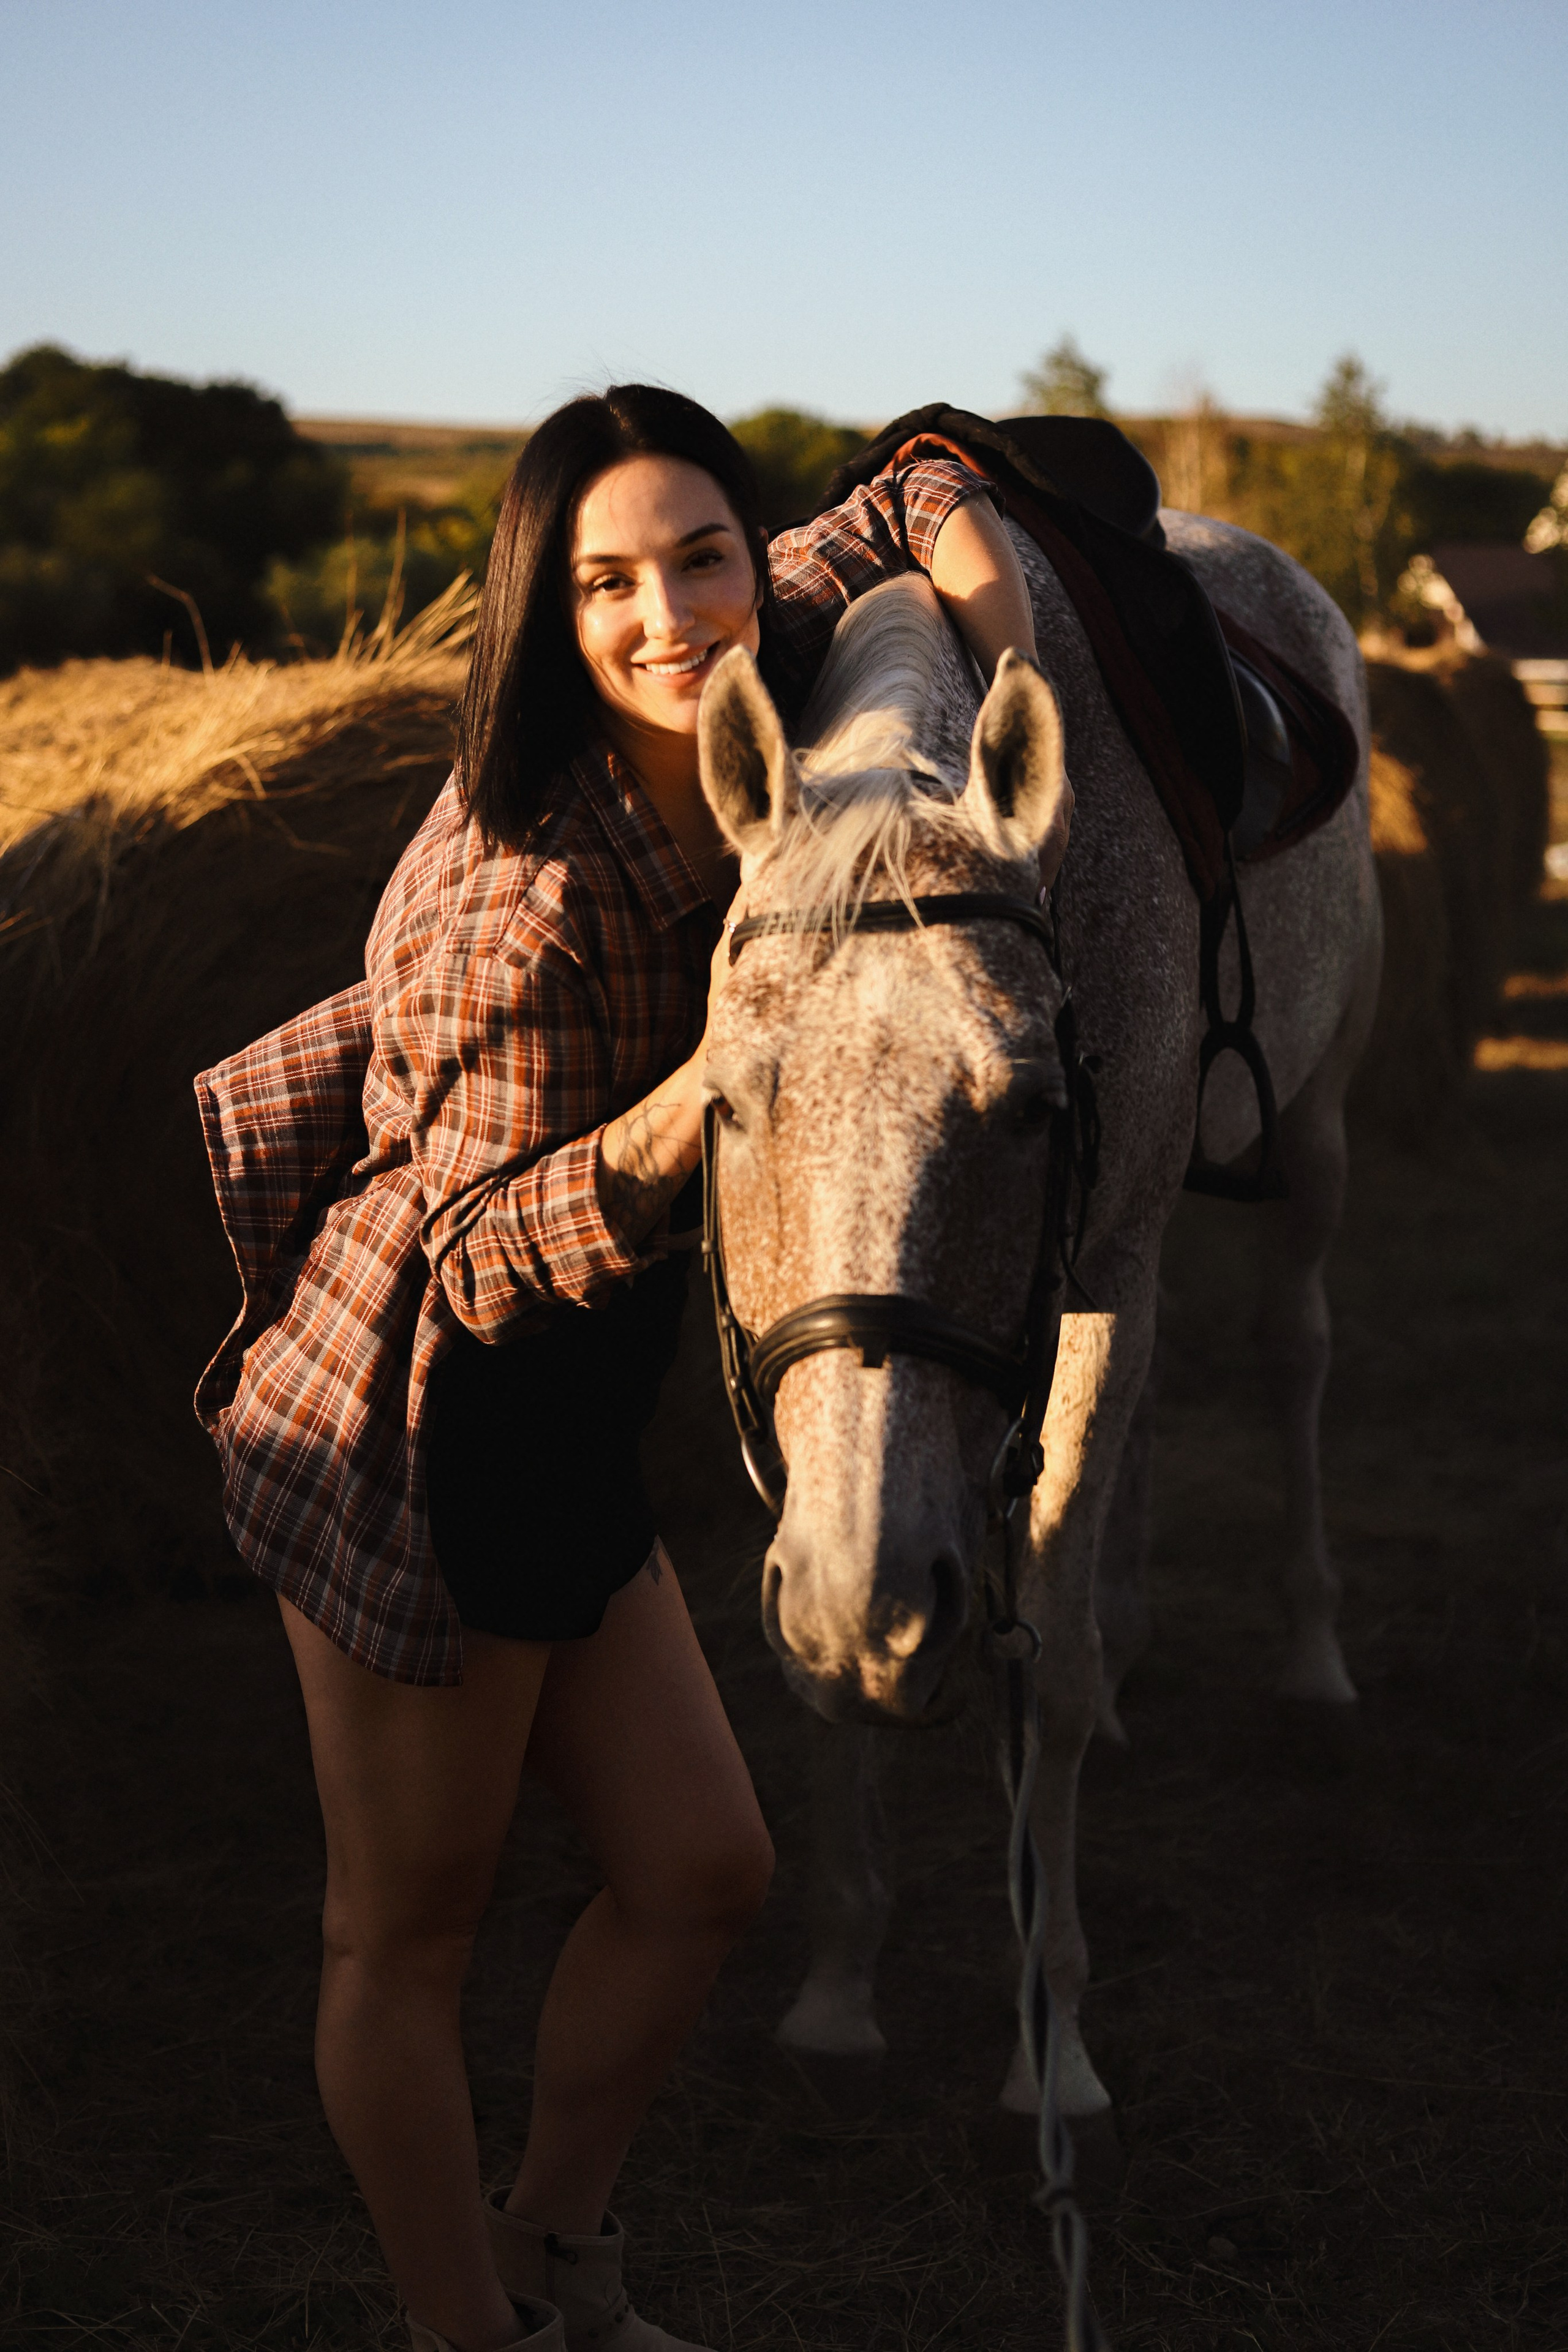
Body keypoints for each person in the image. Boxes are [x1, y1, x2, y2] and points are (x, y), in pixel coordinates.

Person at [195, 384, 1048, 2352]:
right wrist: (692, 1114)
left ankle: (556, 2251)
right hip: (412, 1419)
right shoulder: (530, 901)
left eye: (703, 556)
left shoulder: (744, 665)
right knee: (405, 1937)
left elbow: (920, 480)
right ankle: (460, 2329)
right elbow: (480, 1257)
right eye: (606, 582)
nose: (668, 617)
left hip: (577, 1419)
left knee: (703, 1872)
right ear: (543, 606)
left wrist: (1008, 678)